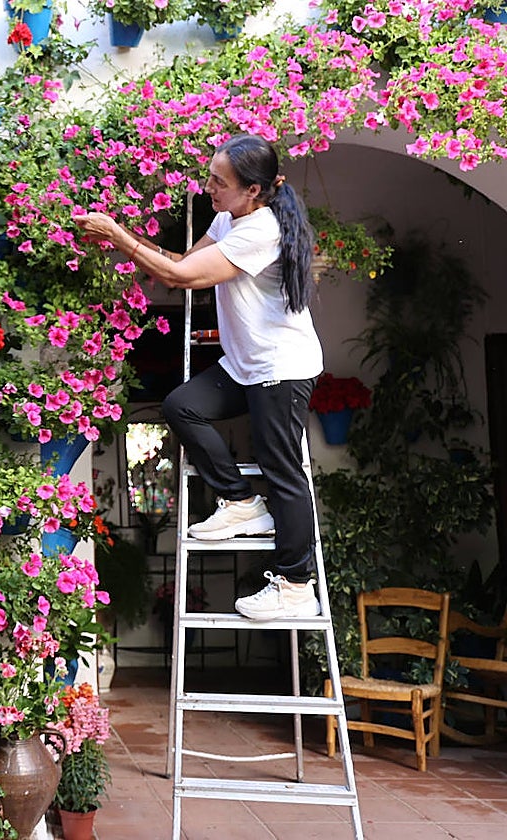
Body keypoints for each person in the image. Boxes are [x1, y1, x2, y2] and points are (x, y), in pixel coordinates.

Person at [72, 134, 323, 621]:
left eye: (219, 182)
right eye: (209, 175)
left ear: (253, 190)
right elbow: (184, 263)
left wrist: (118, 236)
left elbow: (181, 280)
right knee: (181, 406)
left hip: (279, 368)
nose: (208, 187)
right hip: (245, 365)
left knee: (283, 471)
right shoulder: (231, 217)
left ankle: (296, 584)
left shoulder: (261, 230)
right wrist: (121, 239)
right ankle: (242, 501)